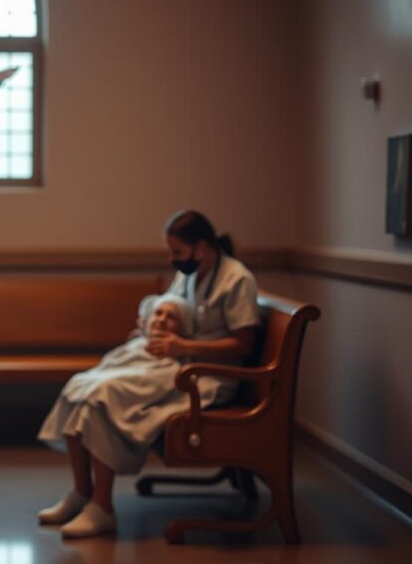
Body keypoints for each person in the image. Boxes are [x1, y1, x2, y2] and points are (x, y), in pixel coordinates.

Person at [37, 210, 260, 538]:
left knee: (103, 395)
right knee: (80, 385)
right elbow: (170, 309)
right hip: (173, 363)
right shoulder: (191, 272)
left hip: (205, 377)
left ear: (201, 247)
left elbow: (244, 343)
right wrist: (149, 328)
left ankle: (103, 507)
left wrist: (182, 344)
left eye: (177, 252)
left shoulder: (236, 279)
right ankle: (82, 492)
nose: (172, 259)